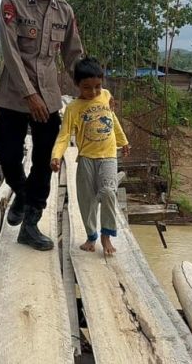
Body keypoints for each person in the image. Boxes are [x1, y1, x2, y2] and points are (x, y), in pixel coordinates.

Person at [0, 0, 84, 251]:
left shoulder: (64, 11)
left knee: (47, 160)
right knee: (6, 151)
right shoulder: (13, 4)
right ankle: (20, 190)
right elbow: (11, 52)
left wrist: (92, 91)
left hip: (50, 96)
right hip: (14, 96)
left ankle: (30, 224)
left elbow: (73, 55)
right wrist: (29, 94)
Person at [50, 58, 129, 255]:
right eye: (87, 88)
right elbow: (65, 135)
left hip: (109, 155)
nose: (93, 92)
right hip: (85, 157)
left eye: (97, 86)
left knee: (109, 192)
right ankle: (91, 237)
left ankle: (106, 237)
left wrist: (123, 141)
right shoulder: (73, 108)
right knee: (87, 200)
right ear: (77, 85)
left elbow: (113, 120)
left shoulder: (106, 95)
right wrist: (56, 156)